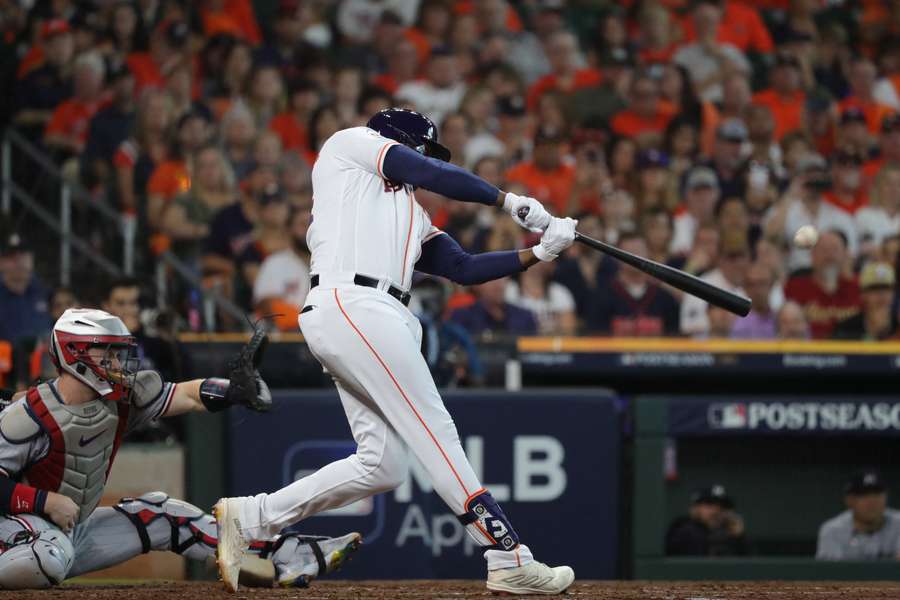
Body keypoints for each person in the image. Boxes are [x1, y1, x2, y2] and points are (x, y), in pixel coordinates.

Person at [214, 108, 576, 595]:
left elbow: (464, 268)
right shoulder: (352, 145)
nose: (425, 156)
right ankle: (507, 555)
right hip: (356, 304)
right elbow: (428, 171)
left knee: (382, 464)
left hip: (365, 315)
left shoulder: (408, 212)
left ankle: (254, 516)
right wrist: (507, 200)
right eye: (422, 145)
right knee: (435, 431)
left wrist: (540, 252)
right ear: (401, 139)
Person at [0, 308, 360, 589]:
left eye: (117, 351)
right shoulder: (28, 415)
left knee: (163, 513)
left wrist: (234, 390)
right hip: (19, 531)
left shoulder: (123, 397)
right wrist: (44, 502)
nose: (116, 360)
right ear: (74, 353)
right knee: (46, 558)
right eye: (105, 351)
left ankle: (288, 555)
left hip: (67, 532)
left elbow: (186, 394)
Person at [590, 232, 679, 336]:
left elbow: (674, 339)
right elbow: (596, 339)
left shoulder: (665, 298)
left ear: (649, 253)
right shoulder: (601, 297)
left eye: (638, 251)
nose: (634, 258)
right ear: (615, 256)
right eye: (628, 252)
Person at [784, 230, 860, 339]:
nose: (829, 256)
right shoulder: (795, 287)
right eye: (823, 250)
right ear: (812, 255)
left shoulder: (858, 287)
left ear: (845, 254)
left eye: (835, 250)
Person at [817, 470, 900, 560]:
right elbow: (830, 572)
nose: (872, 501)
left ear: (886, 497)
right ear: (849, 500)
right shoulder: (833, 530)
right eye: (864, 494)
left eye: (877, 493)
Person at [665, 484, 747, 556]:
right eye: (709, 504)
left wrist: (739, 539)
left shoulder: (733, 535)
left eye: (722, 507)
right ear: (695, 508)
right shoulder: (682, 531)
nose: (716, 511)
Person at [0, 234, 51, 345]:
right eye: (11, 257)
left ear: (31, 260)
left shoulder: (44, 292)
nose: (18, 261)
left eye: (23, 255)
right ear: (1, 263)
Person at [832, 262, 897, 340]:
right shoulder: (846, 328)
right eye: (874, 288)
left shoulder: (898, 324)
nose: (881, 294)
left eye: (887, 288)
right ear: (862, 294)